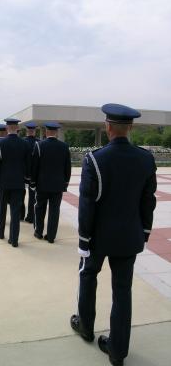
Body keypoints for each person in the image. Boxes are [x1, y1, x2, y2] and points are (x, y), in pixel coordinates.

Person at [70, 104, 157, 366]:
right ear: (130, 127)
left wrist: (84, 240)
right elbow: (147, 201)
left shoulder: (95, 159)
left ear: (108, 127)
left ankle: (85, 326)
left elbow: (88, 203)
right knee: (122, 292)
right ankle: (117, 351)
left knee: (88, 277)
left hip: (97, 237)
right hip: (129, 237)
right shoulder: (145, 158)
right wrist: (144, 232)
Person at [0, 118, 31, 247]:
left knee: (2, 208)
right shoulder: (24, 144)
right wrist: (26, 180)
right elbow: (28, 165)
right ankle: (14, 239)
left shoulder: (0, 144)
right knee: (15, 212)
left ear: (7, 128)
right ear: (18, 128)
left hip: (4, 182)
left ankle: (1, 232)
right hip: (19, 183)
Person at [30, 122, 71, 243]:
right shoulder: (64, 146)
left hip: (42, 184)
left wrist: (33, 182)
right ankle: (51, 236)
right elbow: (67, 168)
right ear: (57, 132)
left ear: (46, 132)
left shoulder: (39, 145)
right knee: (54, 211)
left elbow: (34, 167)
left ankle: (38, 232)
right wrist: (66, 183)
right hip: (58, 185)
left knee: (39, 208)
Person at [20, 122, 40, 223]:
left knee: (20, 195)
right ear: (35, 131)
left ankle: (21, 215)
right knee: (33, 197)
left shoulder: (22, 142)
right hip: (35, 174)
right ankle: (31, 216)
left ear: (27, 131)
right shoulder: (39, 143)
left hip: (23, 174)